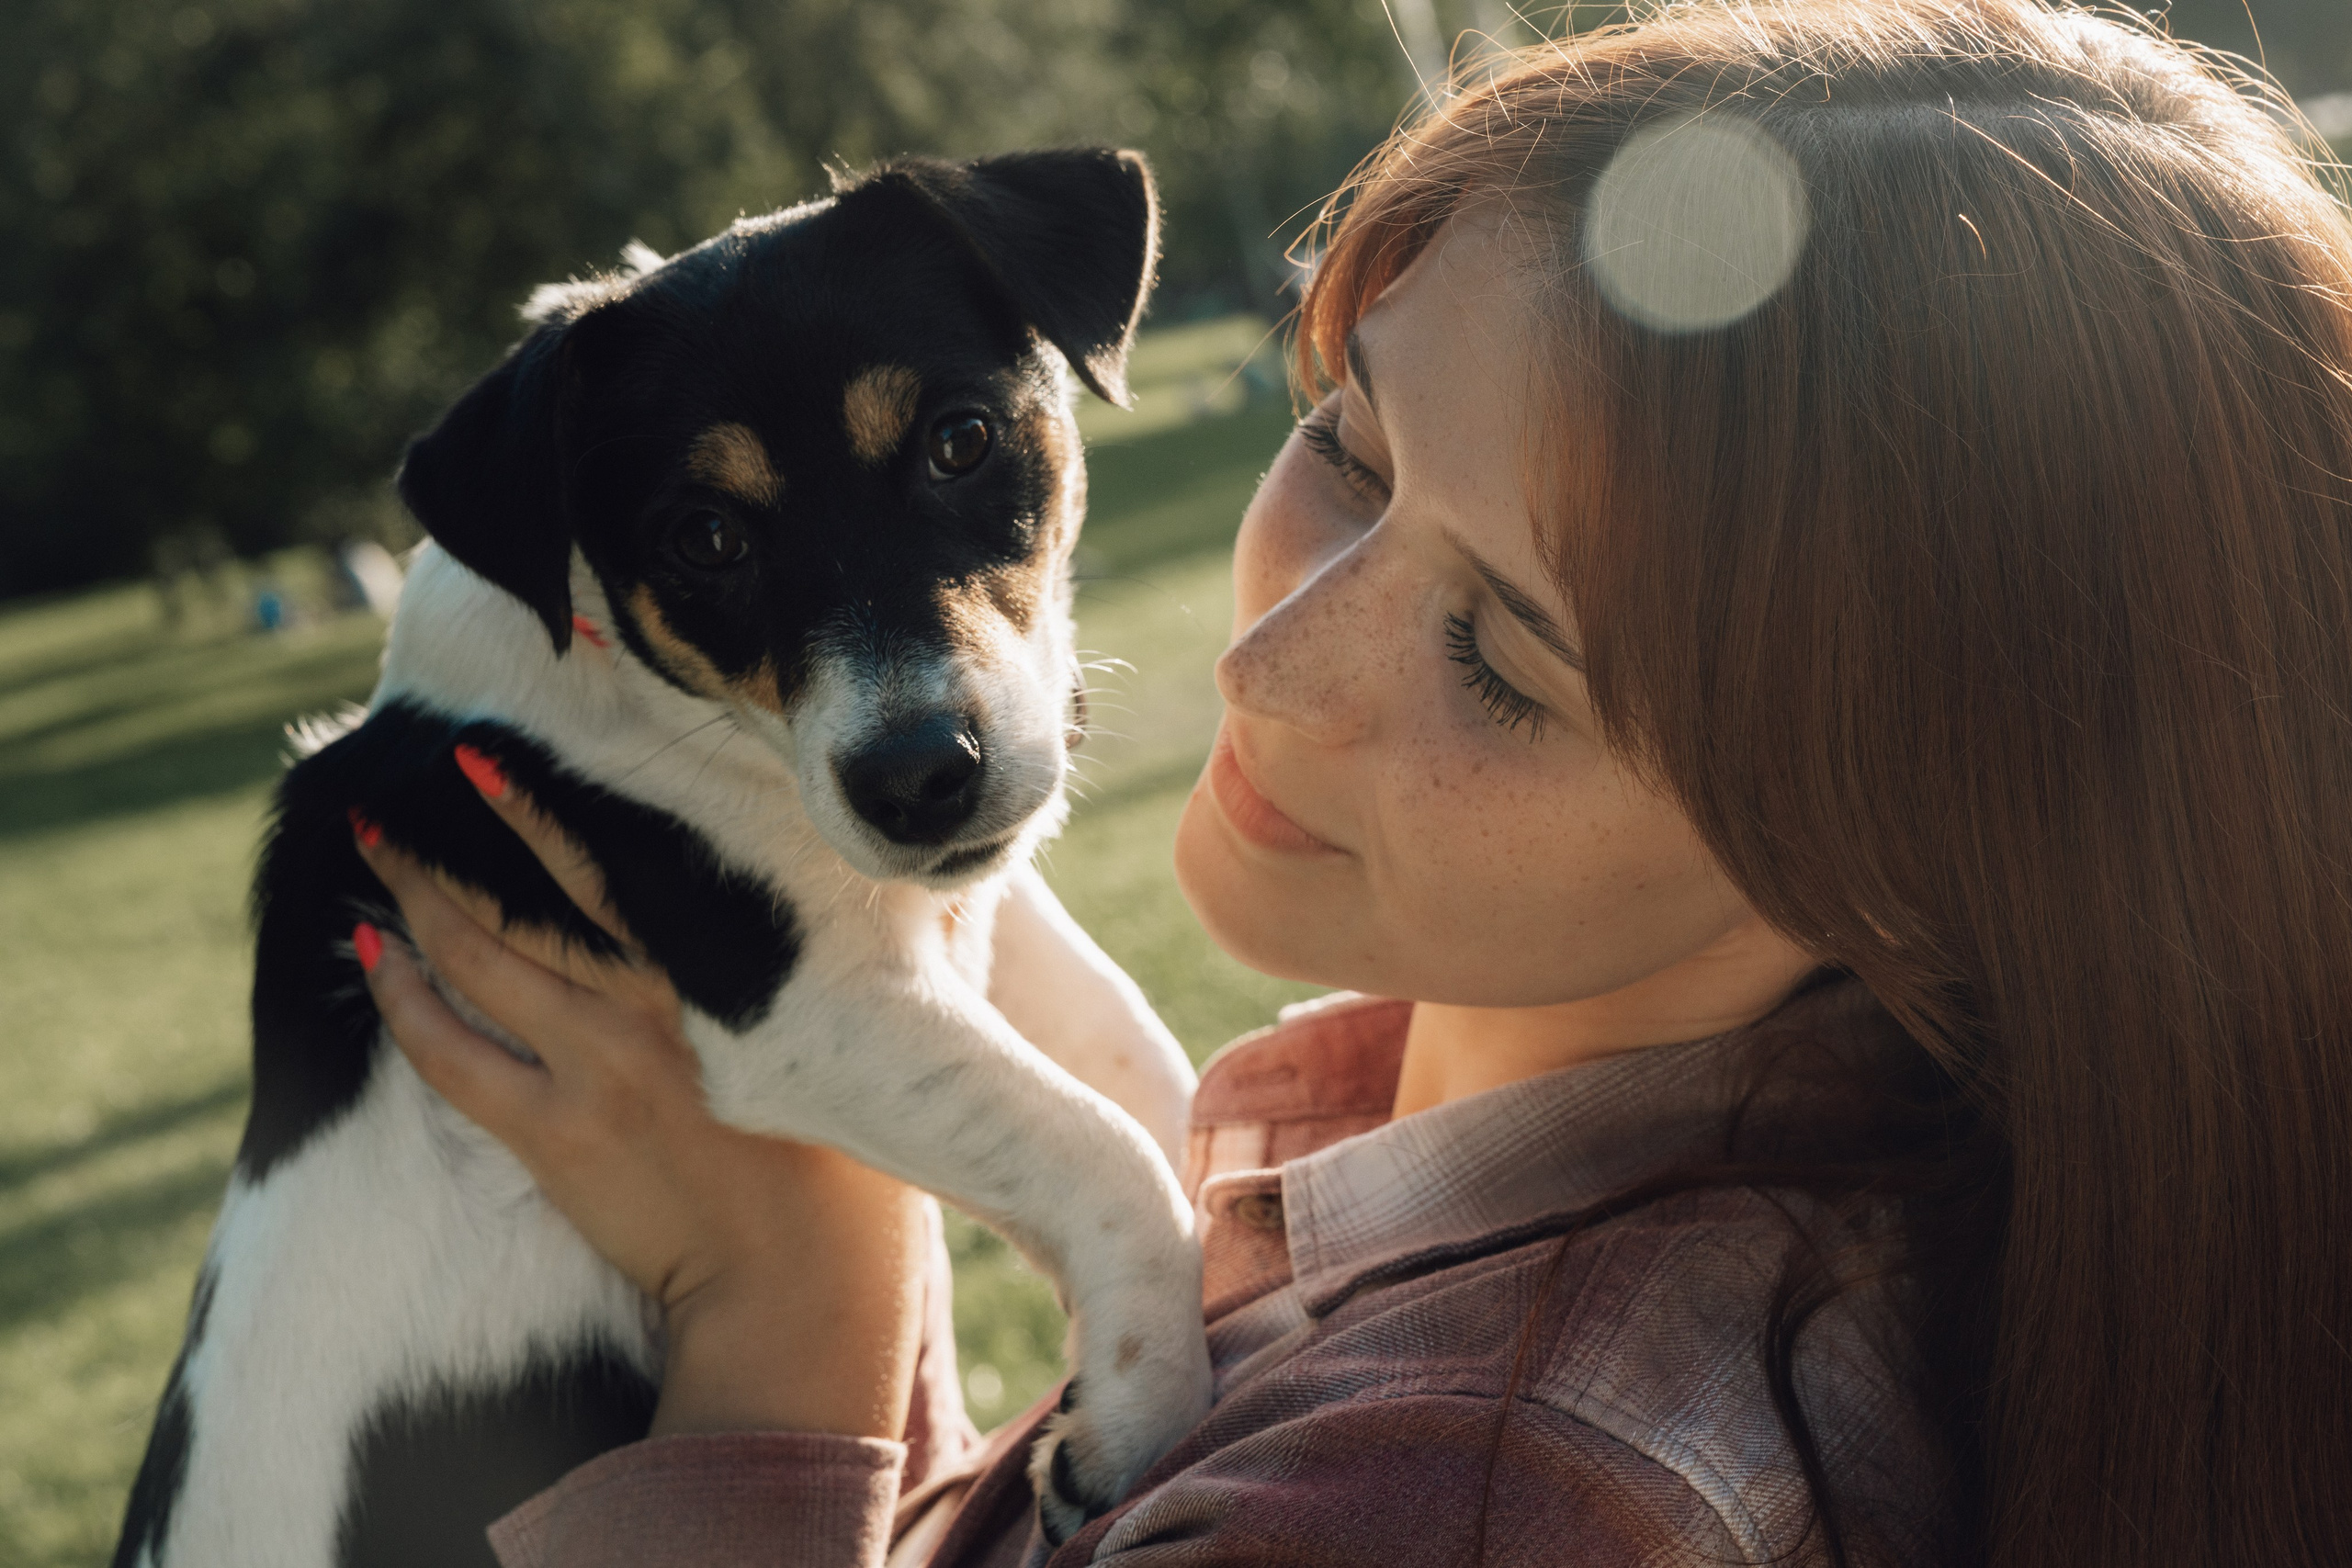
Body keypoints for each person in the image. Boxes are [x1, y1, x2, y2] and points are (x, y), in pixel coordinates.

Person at [346, 2, 2352, 1563]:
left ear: (1910, 852)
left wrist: (776, 1303)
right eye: (1349, 446)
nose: (1261, 663)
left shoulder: (1466, 1501)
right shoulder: (1386, 1174)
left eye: (1498, 656)